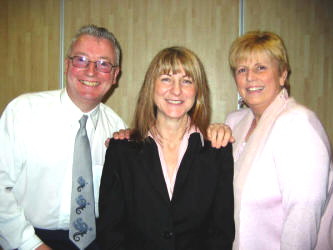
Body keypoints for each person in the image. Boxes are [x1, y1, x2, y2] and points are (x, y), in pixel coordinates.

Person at [0, 25, 127, 250]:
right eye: (81, 60)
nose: (91, 71)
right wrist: (30, 244)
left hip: (96, 241)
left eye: (103, 64)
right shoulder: (23, 112)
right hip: (27, 238)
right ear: (67, 65)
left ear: (115, 75)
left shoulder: (118, 129)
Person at [97, 46, 235, 250]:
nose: (176, 90)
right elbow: (110, 231)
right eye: (166, 79)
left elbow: (221, 232)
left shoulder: (217, 150)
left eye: (187, 81)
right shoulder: (121, 151)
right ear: (150, 87)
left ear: (198, 91)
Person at [225, 31, 333, 250]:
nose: (250, 77)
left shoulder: (297, 124)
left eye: (261, 68)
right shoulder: (235, 121)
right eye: (242, 70)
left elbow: (303, 215)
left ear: (282, 75)